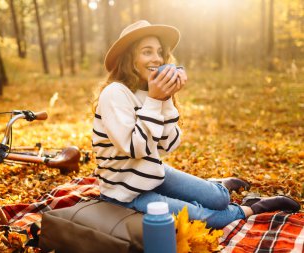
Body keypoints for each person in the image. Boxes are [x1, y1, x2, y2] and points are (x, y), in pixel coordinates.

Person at [92, 20, 300, 229]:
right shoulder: (114, 94)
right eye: (147, 52)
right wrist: (156, 100)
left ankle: (217, 185)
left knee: (219, 199)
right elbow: (136, 149)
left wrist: (165, 99)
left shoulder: (150, 93)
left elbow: (168, 145)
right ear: (130, 59)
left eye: (159, 52)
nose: (157, 58)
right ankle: (255, 207)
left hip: (152, 174)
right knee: (216, 218)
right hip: (125, 193)